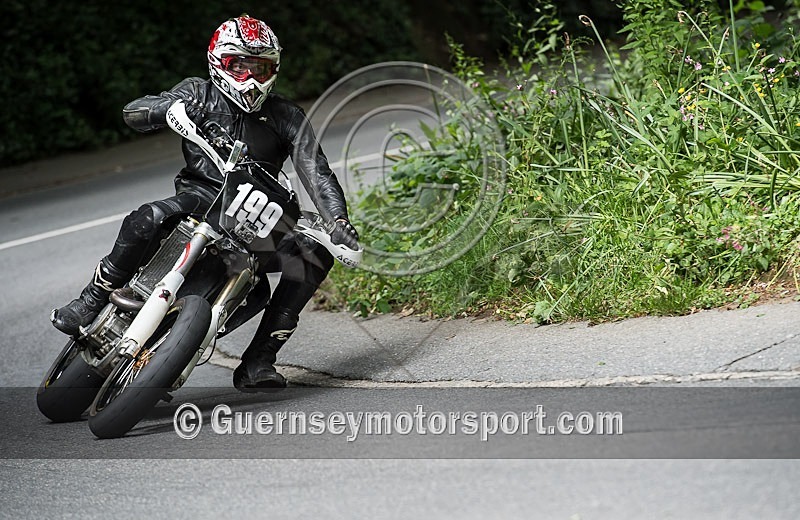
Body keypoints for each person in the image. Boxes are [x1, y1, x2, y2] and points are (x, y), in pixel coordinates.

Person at [50, 15, 359, 391]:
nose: (250, 77)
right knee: (148, 217)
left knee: (314, 255)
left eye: (260, 67)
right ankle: (91, 299)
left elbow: (317, 172)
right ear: (219, 62)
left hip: (255, 217)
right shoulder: (198, 93)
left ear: (274, 69)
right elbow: (134, 111)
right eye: (239, 66)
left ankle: (259, 361)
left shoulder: (286, 116)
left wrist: (338, 221)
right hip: (200, 198)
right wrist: (165, 109)